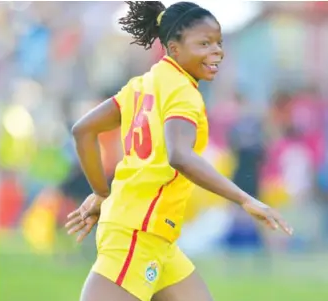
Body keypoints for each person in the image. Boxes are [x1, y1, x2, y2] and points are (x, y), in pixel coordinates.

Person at [65, 2, 293, 301]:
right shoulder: (184, 93)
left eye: (218, 42)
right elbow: (180, 155)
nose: (217, 52)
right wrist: (246, 200)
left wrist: (102, 194)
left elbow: (83, 130)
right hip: (138, 232)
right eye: (204, 43)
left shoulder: (142, 84)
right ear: (174, 48)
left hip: (156, 233)